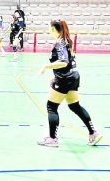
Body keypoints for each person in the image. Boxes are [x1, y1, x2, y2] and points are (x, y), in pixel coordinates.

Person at [38, 19, 102, 147]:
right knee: (74, 106)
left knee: (51, 107)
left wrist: (46, 66)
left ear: (53, 29)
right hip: (73, 77)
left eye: (50, 29)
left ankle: (52, 139)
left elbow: (64, 61)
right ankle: (93, 133)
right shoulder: (67, 41)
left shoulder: (59, 43)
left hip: (65, 79)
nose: (49, 31)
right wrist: (56, 75)